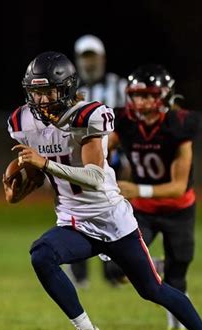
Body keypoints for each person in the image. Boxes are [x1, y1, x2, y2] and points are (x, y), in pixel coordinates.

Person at [3, 50, 202, 330]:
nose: (40, 100)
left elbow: (96, 177)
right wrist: (18, 187)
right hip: (74, 222)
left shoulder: (89, 115)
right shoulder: (22, 122)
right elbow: (38, 175)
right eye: (35, 92)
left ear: (66, 89)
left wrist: (44, 165)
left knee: (153, 290)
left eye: (48, 91)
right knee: (41, 254)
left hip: (113, 220)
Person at [108, 64, 198, 330]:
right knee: (115, 267)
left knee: (176, 278)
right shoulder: (125, 122)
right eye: (136, 95)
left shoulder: (179, 125)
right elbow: (100, 150)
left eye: (148, 95)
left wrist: (136, 189)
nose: (141, 102)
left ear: (164, 96)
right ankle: (153, 264)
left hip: (177, 209)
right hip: (143, 210)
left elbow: (178, 186)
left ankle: (176, 329)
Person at [69, 34, 128, 287]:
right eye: (85, 57)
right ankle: (79, 271)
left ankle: (113, 270)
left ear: (102, 58)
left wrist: (127, 158)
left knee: (112, 214)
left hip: (113, 161)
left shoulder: (120, 86)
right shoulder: (70, 89)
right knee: (75, 214)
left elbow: (130, 124)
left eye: (92, 57)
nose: (89, 63)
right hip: (77, 162)